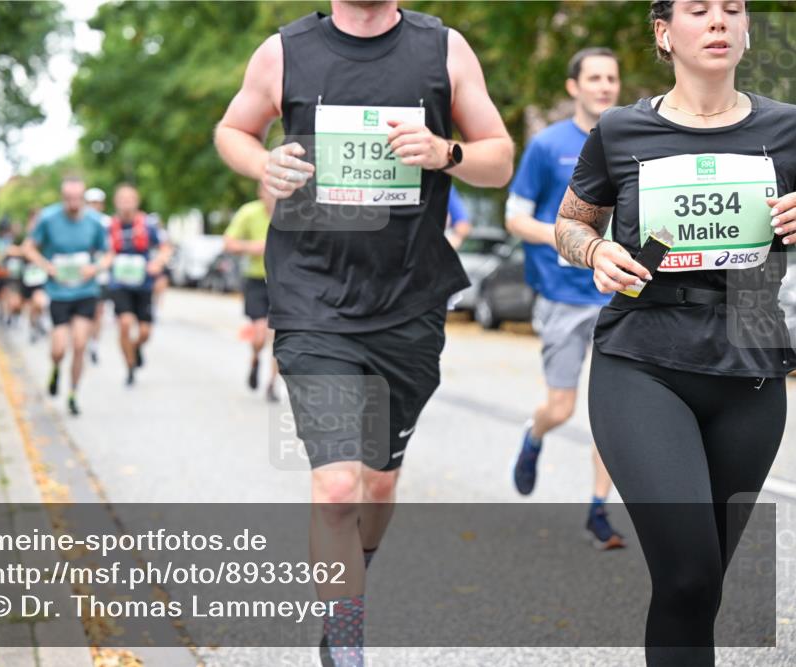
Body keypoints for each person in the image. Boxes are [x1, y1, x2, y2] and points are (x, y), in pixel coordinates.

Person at [215, 2, 513, 665]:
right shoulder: (285, 51)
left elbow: (498, 160)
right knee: (336, 486)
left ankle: (353, 575)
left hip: (408, 301)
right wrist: (261, 163)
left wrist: (446, 152)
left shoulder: (443, 49)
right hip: (312, 297)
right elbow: (233, 129)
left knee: (377, 483)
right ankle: (345, 639)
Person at [554, 2, 795, 664]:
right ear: (664, 33)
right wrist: (594, 250)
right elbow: (570, 222)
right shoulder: (621, 129)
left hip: (750, 366)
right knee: (687, 572)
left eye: (732, 9)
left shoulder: (787, 128)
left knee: (702, 585)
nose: (718, 21)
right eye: (698, 9)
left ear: (747, 30)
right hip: (642, 359)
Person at [506, 47, 625, 550]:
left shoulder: (631, 140)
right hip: (562, 295)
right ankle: (535, 435)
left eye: (611, 78)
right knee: (562, 407)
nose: (604, 86)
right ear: (574, 87)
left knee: (614, 414)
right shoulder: (547, 145)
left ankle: (598, 509)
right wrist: (573, 240)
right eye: (594, 78)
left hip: (620, 296)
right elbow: (515, 217)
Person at [22, 176, 112, 416]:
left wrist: (95, 268)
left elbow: (109, 253)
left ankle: (73, 393)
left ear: (83, 198)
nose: (73, 203)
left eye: (77, 198)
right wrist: (46, 265)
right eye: (68, 198)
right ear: (62, 198)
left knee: (80, 344)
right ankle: (55, 369)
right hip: (59, 293)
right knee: (59, 349)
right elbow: (28, 247)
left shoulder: (95, 222)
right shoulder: (48, 218)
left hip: (86, 291)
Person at [108, 184, 172, 385]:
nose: (126, 203)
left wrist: (158, 263)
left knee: (145, 332)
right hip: (119, 285)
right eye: (122, 199)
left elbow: (165, 247)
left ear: (136, 202)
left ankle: (135, 348)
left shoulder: (148, 225)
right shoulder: (108, 227)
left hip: (143, 284)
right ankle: (129, 366)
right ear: (116, 202)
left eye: (130, 199)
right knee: (125, 323)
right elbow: (99, 250)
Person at [224, 184, 280, 402]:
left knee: (278, 336)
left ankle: (272, 384)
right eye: (269, 190)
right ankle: (255, 359)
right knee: (259, 335)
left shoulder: (293, 213)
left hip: (283, 282)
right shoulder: (249, 212)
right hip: (256, 280)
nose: (273, 194)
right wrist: (253, 247)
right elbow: (228, 243)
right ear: (260, 192)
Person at [85, 187, 112, 364]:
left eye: (97, 203)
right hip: (82, 274)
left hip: (100, 273)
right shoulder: (79, 222)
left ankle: (94, 344)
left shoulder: (107, 223)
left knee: (98, 310)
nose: (94, 206)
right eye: (91, 203)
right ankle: (83, 339)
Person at [19, 208, 49, 343]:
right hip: (29, 276)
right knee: (32, 306)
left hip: (43, 275)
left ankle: (41, 322)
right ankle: (33, 327)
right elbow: (23, 251)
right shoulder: (28, 236)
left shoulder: (47, 234)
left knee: (40, 301)